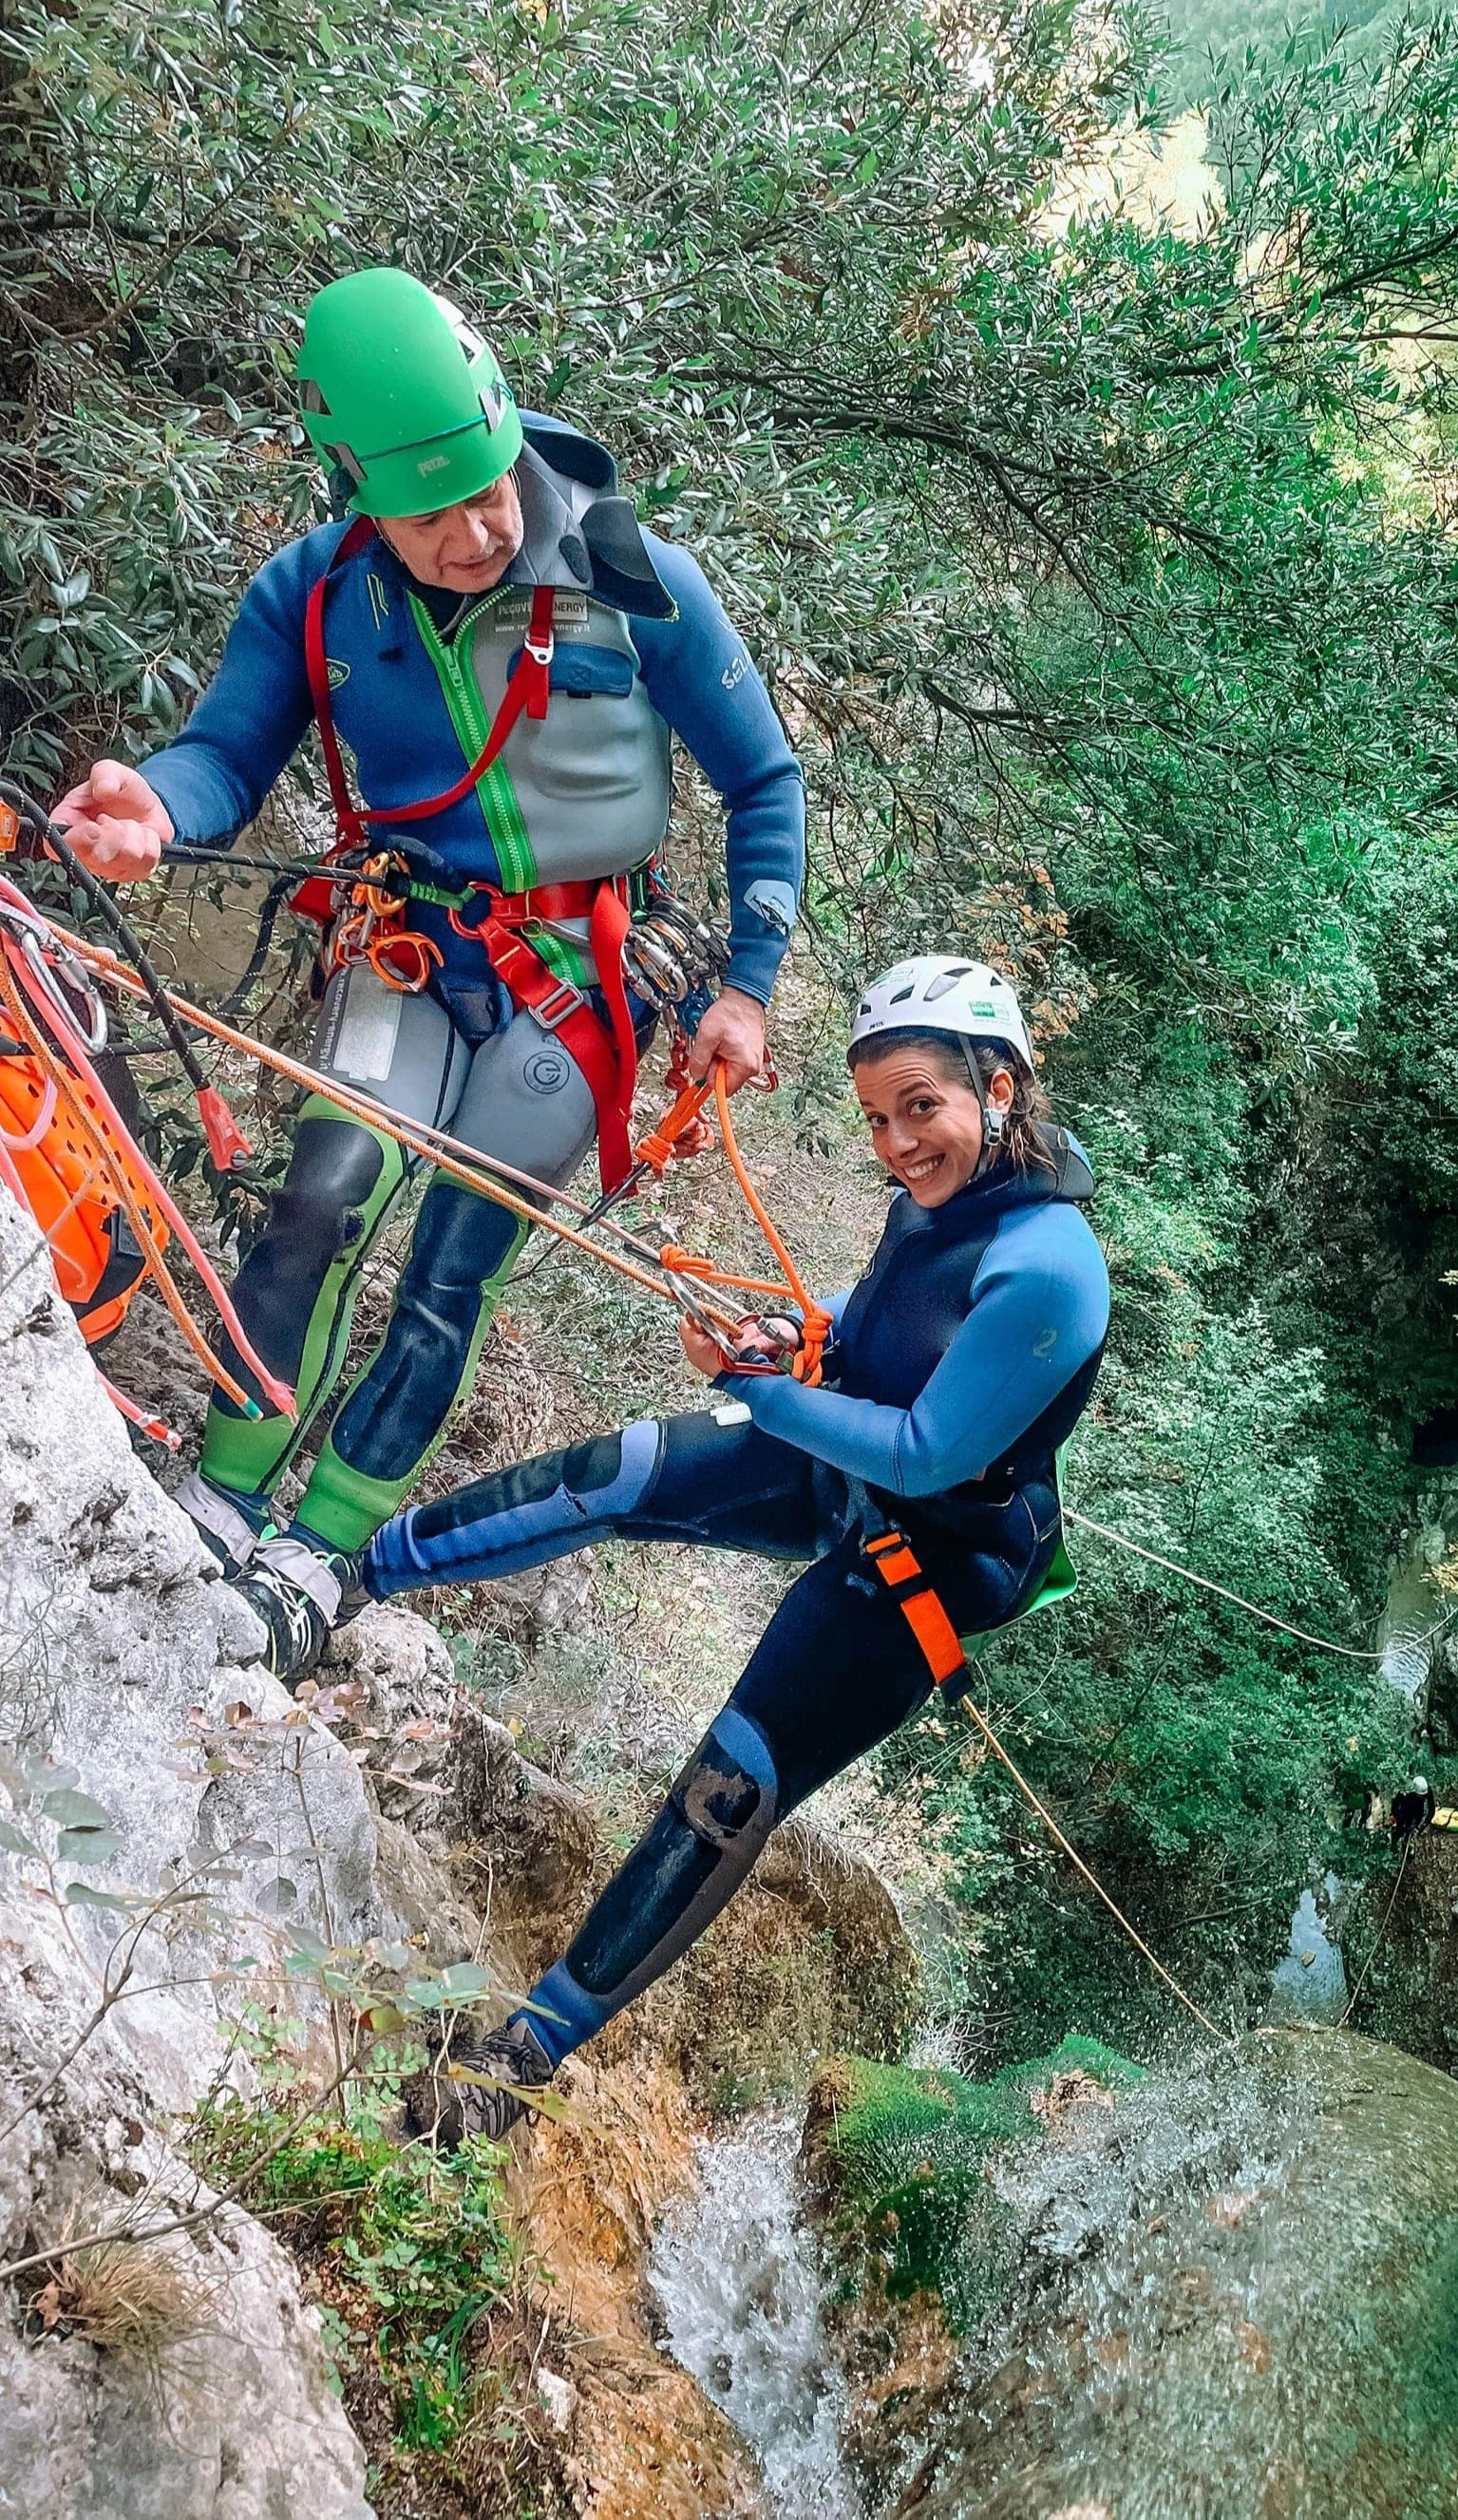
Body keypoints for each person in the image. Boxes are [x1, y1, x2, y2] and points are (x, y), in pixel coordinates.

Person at [49, 268, 803, 1676]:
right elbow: (225, 751)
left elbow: (762, 777)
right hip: (411, 936)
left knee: (456, 1265)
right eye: (431, 511)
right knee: (323, 1199)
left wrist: (746, 981)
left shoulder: (625, 565)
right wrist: (152, 807)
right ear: (357, 491)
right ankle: (224, 1490)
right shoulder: (317, 593)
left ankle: (323, 1547)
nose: (477, 530)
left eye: (491, 486)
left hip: (583, 970)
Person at [362, 957, 1111, 2142]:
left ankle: (517, 2066)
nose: (897, 1144)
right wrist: (786, 1345)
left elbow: (923, 1453)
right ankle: (342, 1580)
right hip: (844, 1455)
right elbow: (882, 1348)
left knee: (729, 1787)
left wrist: (762, 1393)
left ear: (1001, 1087)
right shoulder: (938, 1196)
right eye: (875, 1116)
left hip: (925, 1559)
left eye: (921, 1106)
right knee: (612, 1477)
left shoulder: (1049, 1269)